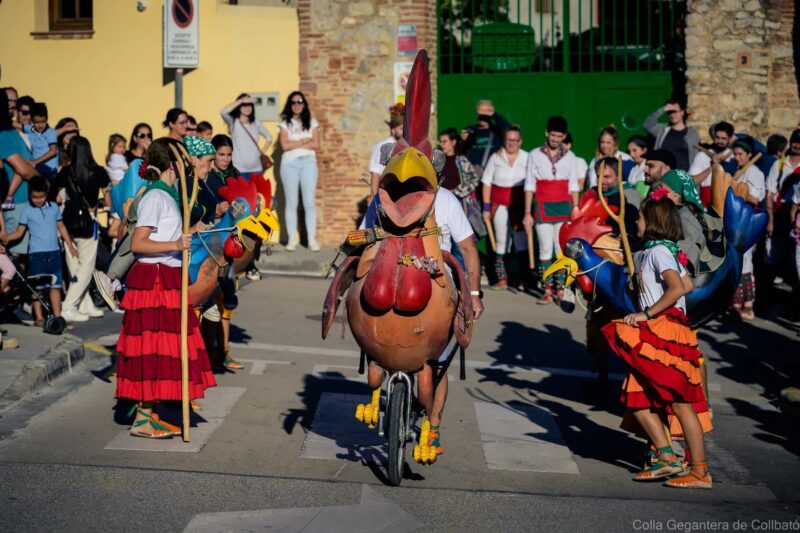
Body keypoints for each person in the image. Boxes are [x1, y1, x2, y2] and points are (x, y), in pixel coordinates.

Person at [361, 185, 484, 455]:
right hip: (388, 277)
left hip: (438, 281)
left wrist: (473, 294)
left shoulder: (446, 199)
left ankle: (434, 425)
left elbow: (467, 247)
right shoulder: (383, 197)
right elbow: (361, 238)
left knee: (437, 364)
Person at [602, 194, 711, 489]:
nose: (636, 222)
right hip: (659, 328)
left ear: (652, 222)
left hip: (663, 330)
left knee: (680, 402)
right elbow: (687, 283)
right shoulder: (661, 251)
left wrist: (646, 312)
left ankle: (700, 471)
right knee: (636, 395)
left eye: (639, 218)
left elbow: (677, 288)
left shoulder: (658, 252)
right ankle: (666, 456)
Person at [115, 137, 216, 439]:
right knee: (152, 348)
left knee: (163, 349)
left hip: (168, 276)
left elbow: (166, 234)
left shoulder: (167, 196)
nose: (187, 165)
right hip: (156, 279)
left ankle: (151, 413)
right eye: (183, 160)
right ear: (172, 163)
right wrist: (176, 243)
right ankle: (143, 419)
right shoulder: (156, 197)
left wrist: (189, 232)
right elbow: (138, 243)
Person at [2, 176, 76, 325]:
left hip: (54, 253)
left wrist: (70, 245)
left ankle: (58, 318)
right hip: (36, 255)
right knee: (37, 288)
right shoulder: (27, 211)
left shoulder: (54, 208)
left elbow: (61, 227)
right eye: (35, 197)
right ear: (30, 195)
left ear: (47, 193)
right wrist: (7, 238)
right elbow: (20, 232)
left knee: (55, 288)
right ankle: (39, 318)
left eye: (42, 196)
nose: (39, 200)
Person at [523, 116, 580, 304]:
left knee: (560, 248)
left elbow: (573, 185)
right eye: (553, 135)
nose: (555, 139)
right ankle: (547, 290)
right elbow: (530, 185)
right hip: (542, 205)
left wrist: (576, 208)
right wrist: (527, 213)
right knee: (545, 248)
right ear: (547, 133)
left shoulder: (571, 157)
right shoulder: (534, 154)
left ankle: (560, 289)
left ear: (564, 136)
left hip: (564, 206)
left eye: (559, 136)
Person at [54, 136, 110, 323]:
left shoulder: (65, 172)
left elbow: (54, 195)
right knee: (86, 266)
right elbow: (107, 197)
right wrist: (101, 204)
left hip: (68, 220)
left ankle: (84, 304)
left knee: (74, 264)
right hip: (87, 220)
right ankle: (68, 306)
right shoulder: (98, 172)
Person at [481, 126, 529, 290]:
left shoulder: (528, 158)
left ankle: (523, 279)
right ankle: (502, 278)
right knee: (501, 242)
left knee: (521, 242)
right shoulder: (495, 158)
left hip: (521, 206)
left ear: (520, 141)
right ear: (504, 140)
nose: (511, 143)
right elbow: (487, 182)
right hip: (499, 204)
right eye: (509, 139)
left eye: (515, 140)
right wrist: (486, 208)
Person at [278, 91, 321, 252]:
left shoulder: (312, 121)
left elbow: (316, 144)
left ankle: (311, 240)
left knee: (309, 203)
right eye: (293, 102)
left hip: (308, 163)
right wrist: (304, 141)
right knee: (291, 203)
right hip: (289, 164)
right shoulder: (285, 124)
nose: (297, 104)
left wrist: (294, 142)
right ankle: (291, 240)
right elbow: (284, 146)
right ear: (290, 105)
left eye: (300, 101)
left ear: (304, 104)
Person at [730, 139, 766, 320]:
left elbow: (756, 198)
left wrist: (737, 190)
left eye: (740, 155)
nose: (737, 158)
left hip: (748, 220)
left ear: (749, 155)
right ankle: (735, 302)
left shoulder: (755, 173)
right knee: (736, 260)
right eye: (735, 154)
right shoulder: (737, 171)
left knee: (746, 261)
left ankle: (748, 303)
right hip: (736, 221)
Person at [0, 90, 36, 256]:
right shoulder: (3, 134)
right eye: (8, 101)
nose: (13, 105)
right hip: (16, 203)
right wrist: (45, 182)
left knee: (21, 258)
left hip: (25, 201)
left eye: (15, 101)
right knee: (13, 257)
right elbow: (22, 170)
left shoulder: (13, 132)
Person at [220, 94, 273, 179]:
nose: (247, 107)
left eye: (249, 105)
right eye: (244, 105)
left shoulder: (256, 122)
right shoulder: (233, 121)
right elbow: (223, 112)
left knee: (256, 192)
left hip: (256, 169)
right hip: (239, 169)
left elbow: (269, 137)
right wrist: (241, 101)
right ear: (239, 107)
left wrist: (262, 152)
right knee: (240, 192)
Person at [643, 99, 700, 171]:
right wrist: (663, 109)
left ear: (682, 112)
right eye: (669, 112)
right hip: (663, 174)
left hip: (682, 175)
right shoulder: (662, 129)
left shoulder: (691, 133)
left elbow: (694, 156)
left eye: (674, 112)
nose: (672, 115)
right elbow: (647, 124)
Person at [688, 121, 734, 206]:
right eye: (717, 137)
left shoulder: (735, 156)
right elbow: (691, 182)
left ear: (730, 139)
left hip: (729, 205)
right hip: (706, 205)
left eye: (723, 138)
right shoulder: (702, 156)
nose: (719, 141)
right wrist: (712, 167)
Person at [461, 100, 510, 175]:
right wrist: (463, 139)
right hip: (472, 175)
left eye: (485, 113)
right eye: (480, 113)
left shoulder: (497, 130)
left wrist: (494, 114)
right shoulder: (471, 129)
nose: (483, 116)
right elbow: (463, 142)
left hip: (492, 174)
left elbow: (509, 130)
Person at [368, 104, 404, 195]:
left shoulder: (409, 146)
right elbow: (376, 175)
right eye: (401, 129)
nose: (405, 132)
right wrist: (375, 199)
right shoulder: (382, 147)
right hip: (386, 195)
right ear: (392, 130)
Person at [25, 103, 58, 182]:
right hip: (38, 166)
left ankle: (10, 193)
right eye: (36, 122)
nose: (40, 125)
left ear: (47, 119)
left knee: (24, 167)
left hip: (48, 168)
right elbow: (16, 125)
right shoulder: (31, 130)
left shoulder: (50, 132)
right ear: (32, 120)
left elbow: (53, 151)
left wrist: (35, 162)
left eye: (43, 121)